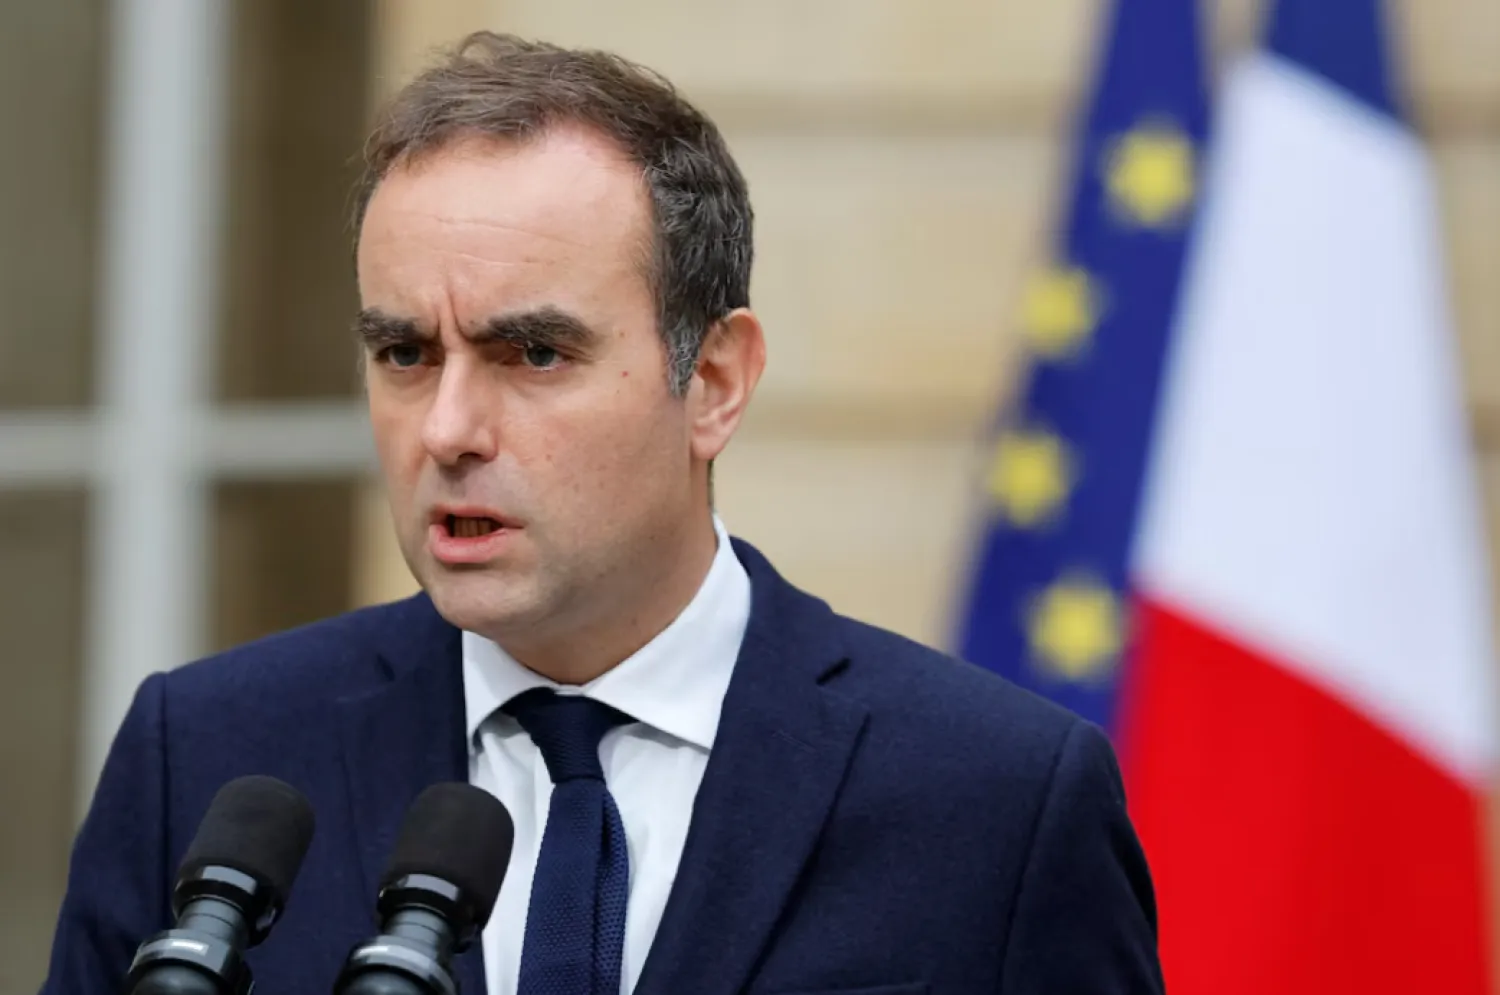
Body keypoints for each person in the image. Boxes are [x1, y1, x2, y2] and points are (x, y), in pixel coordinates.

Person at [42, 32, 1163, 995]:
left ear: (715, 380)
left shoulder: (995, 795)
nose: (447, 428)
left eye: (533, 352)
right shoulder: (209, 757)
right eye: (401, 352)